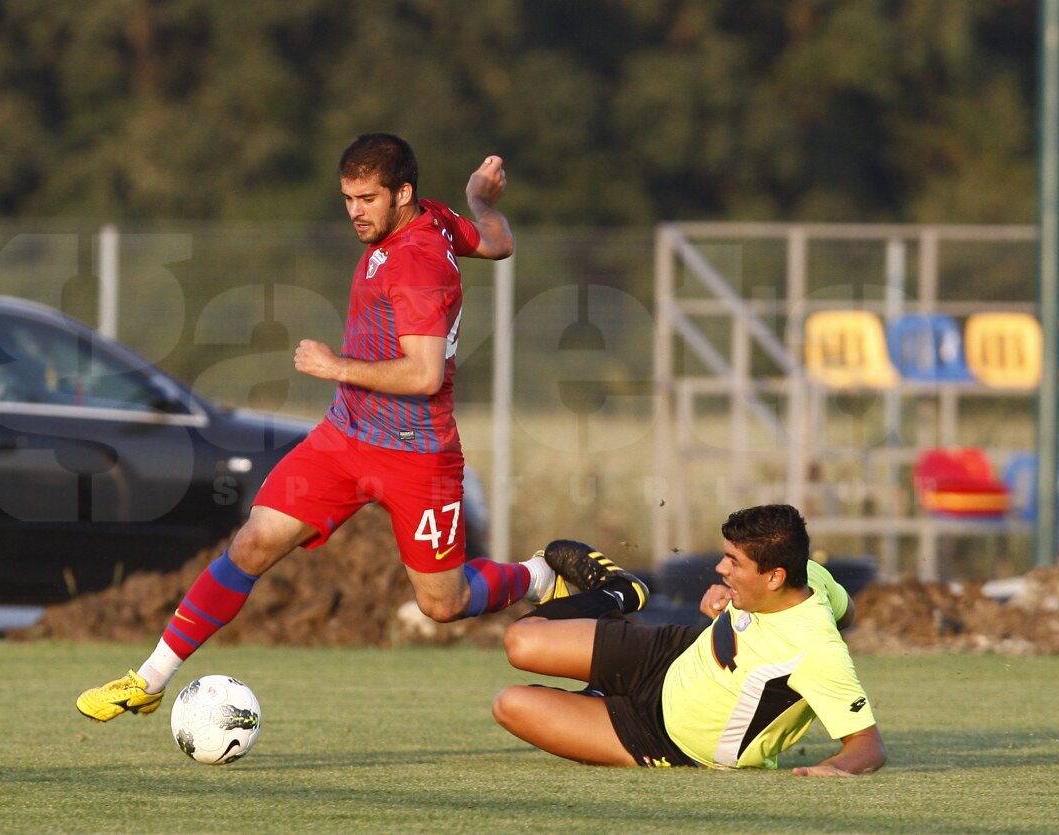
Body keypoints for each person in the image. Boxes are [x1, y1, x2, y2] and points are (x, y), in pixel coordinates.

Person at [77, 133, 562, 721]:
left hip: (416, 454)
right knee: (252, 544)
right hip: (345, 438)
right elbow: (498, 242)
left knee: (443, 603)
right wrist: (479, 199)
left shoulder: (419, 263)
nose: (355, 211)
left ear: (402, 194)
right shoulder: (433, 217)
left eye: (367, 198)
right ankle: (149, 678)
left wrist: (335, 366)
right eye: (347, 198)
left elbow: (425, 374)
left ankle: (541, 575)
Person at [492, 504, 887, 775]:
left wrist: (836, 767)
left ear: (775, 577)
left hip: (664, 738)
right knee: (520, 642)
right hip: (671, 656)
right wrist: (724, 613)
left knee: (510, 704)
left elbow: (869, 745)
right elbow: (845, 611)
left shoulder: (817, 652)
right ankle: (620, 592)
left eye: (734, 562)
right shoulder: (811, 576)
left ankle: (599, 703)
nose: (719, 568)